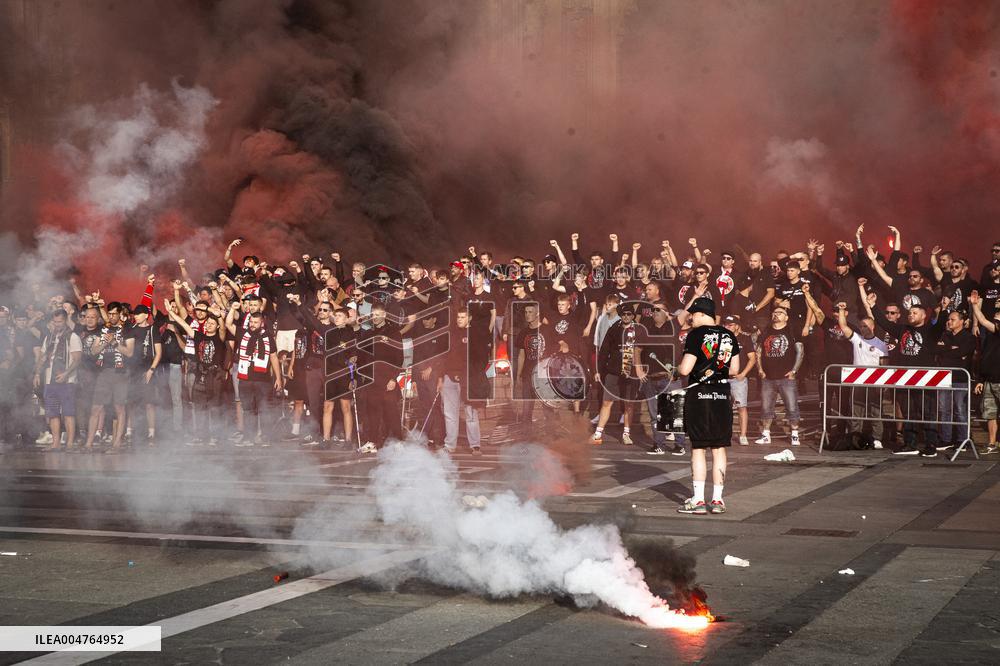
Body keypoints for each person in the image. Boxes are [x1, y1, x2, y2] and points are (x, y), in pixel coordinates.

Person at [675, 298, 741, 515]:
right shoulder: (729, 335)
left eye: (693, 314)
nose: (690, 318)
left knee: (699, 447)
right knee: (719, 447)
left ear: (702, 314)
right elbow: (734, 370)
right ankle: (718, 500)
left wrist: (675, 368)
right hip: (722, 394)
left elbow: (685, 369)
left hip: (700, 394)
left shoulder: (696, 335)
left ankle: (698, 500)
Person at [226, 311, 282, 446]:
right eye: (251, 322)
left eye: (255, 322)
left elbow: (274, 357)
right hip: (245, 379)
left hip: (263, 380)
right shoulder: (242, 333)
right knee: (248, 409)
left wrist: (278, 378)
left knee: (264, 409)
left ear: (261, 323)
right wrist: (233, 309)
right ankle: (249, 437)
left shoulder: (268, 336)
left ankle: (264, 437)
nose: (252, 324)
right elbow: (228, 323)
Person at [33, 310, 83, 451]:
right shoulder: (48, 338)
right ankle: (55, 443)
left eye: (60, 321)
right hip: (50, 381)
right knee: (52, 413)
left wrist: (66, 374)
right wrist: (37, 373)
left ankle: (69, 444)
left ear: (65, 320)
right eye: (55, 322)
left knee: (68, 413)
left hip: (67, 381)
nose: (57, 324)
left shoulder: (72, 337)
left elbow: (77, 359)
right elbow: (42, 357)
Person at [592, 302, 641, 445]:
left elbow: (644, 351)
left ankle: (626, 433)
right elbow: (604, 351)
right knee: (607, 402)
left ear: (633, 316)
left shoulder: (639, 330)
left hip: (631, 373)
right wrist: (599, 370)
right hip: (613, 372)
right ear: (620, 315)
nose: (626, 316)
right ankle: (598, 432)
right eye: (624, 314)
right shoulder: (614, 328)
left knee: (629, 404)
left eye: (629, 314)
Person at [756, 305, 804, 446]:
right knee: (766, 407)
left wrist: (794, 371)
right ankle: (766, 434)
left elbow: (800, 352)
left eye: (780, 313)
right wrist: (760, 370)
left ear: (786, 317)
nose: (776, 315)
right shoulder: (766, 331)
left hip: (786, 377)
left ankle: (794, 435)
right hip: (768, 377)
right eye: (774, 312)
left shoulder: (792, 331)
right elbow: (758, 352)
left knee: (792, 407)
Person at [439, 308, 483, 454]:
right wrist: (441, 377)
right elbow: (443, 357)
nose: (459, 320)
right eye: (458, 317)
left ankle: (475, 444)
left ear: (469, 318)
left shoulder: (476, 334)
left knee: (471, 413)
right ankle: (450, 445)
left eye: (463, 317)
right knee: (450, 413)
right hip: (449, 379)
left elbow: (481, 359)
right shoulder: (451, 334)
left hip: (467, 379)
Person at [969, 291, 1000, 454]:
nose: (997, 301)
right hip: (989, 378)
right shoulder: (990, 332)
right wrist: (980, 379)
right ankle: (992, 443)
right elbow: (985, 355)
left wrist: (974, 306)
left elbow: (983, 321)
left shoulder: (995, 327)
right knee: (990, 413)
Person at [721, 314, 756, 446]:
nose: (727, 327)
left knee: (741, 406)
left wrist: (743, 373)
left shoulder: (745, 339)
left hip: (738, 379)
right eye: (725, 324)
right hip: (723, 377)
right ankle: (725, 433)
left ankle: (742, 435)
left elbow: (752, 358)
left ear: (737, 326)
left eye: (730, 325)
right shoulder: (721, 339)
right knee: (724, 407)